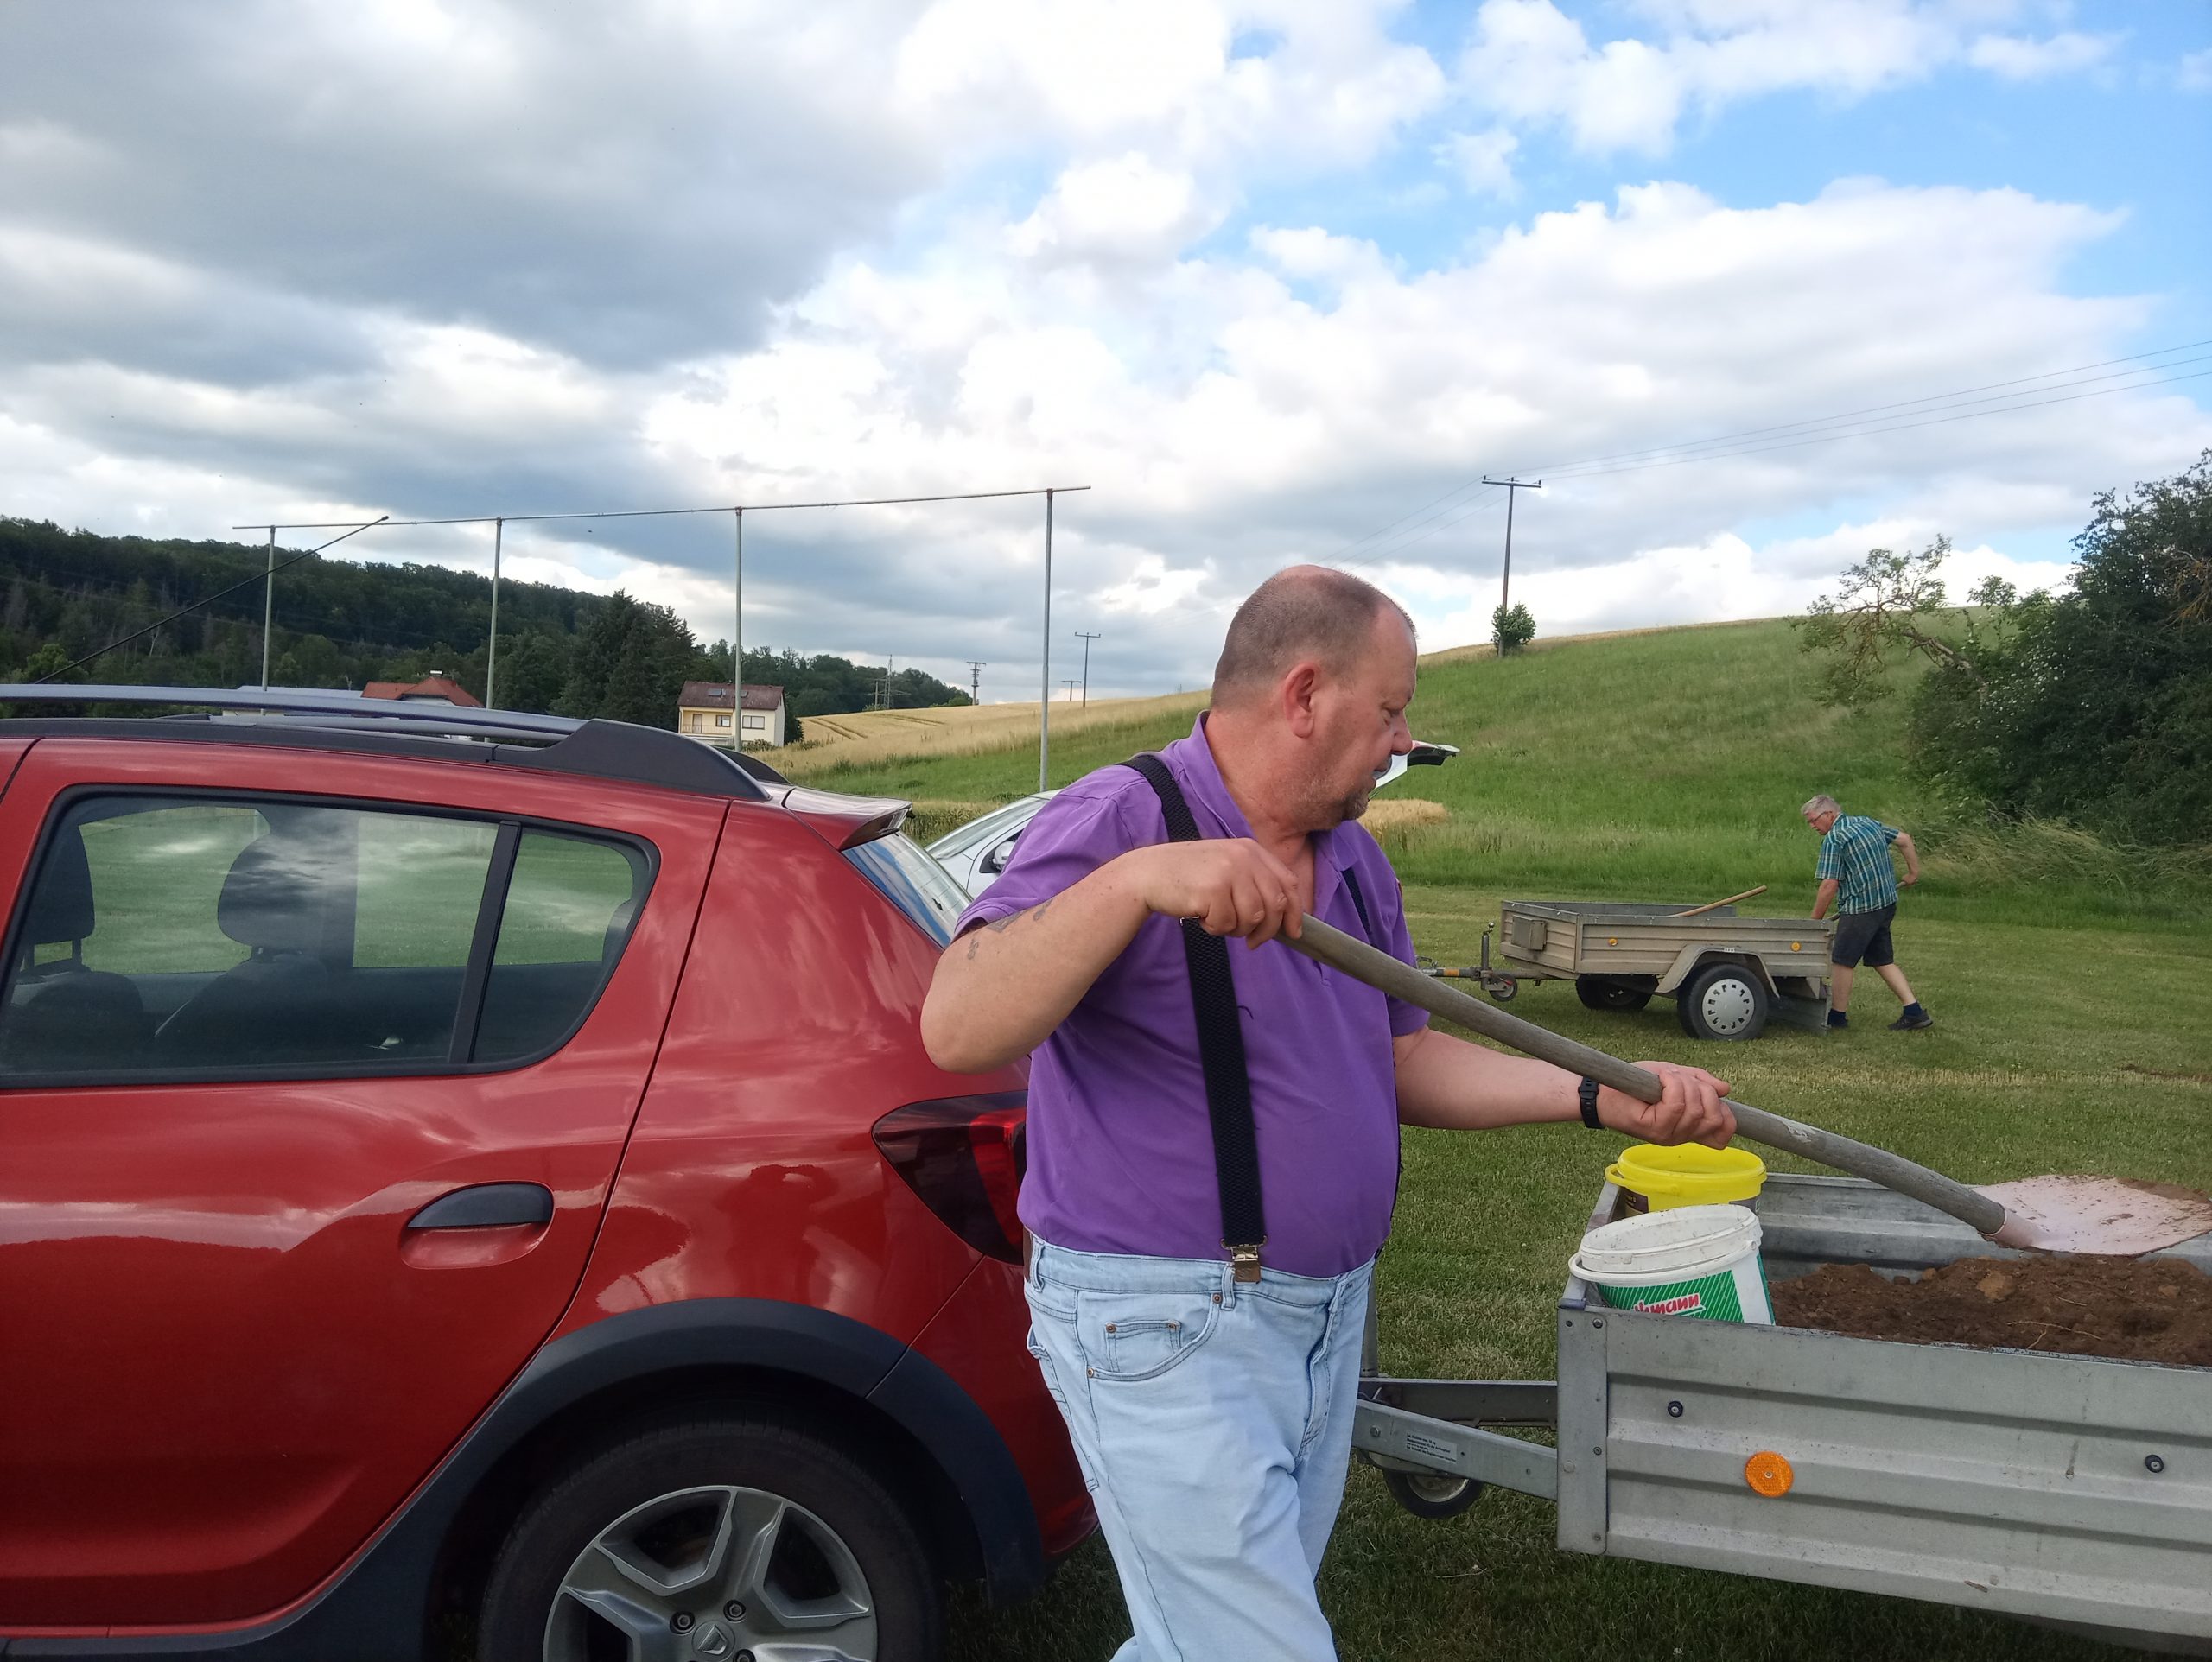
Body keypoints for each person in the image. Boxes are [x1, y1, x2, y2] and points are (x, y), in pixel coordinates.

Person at [921, 565, 1733, 1662]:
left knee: (1201, 1639)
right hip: (1164, 1321)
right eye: (1391, 709)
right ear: (1304, 694)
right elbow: (958, 1023)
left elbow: (1404, 1057)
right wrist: (1134, 883)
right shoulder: (1119, 818)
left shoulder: (1353, 860)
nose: (1404, 739)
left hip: (1322, 1314)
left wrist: (1596, 1094)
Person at [1801, 794, 1930, 1030]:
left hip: (1861, 908)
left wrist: (1814, 923)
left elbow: (1829, 885)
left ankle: (1837, 1018)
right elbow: (1904, 840)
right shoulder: (1867, 822)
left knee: (1842, 961)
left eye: (1813, 820)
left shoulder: (1835, 838)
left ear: (1829, 814)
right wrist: (1913, 873)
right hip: (1886, 903)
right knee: (1882, 960)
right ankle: (1914, 1012)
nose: (1811, 826)